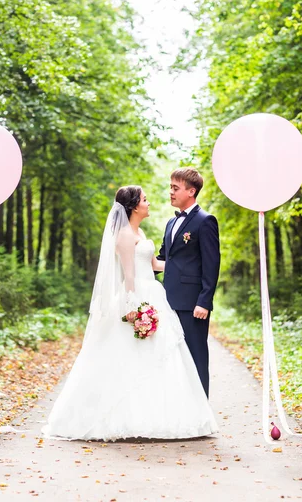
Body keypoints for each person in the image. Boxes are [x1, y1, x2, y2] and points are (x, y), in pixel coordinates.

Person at [41, 185, 218, 441]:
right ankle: (121, 417)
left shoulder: (139, 231)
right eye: (145, 199)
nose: (149, 203)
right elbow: (129, 275)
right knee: (131, 356)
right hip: (138, 298)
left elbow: (156, 263)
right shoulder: (124, 235)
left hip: (154, 294)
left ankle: (159, 414)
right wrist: (135, 308)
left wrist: (196, 264)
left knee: (161, 356)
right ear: (135, 206)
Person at [157, 168, 220, 397]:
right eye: (170, 187)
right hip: (167, 301)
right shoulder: (170, 224)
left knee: (196, 357)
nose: (171, 192)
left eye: (176, 188)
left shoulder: (205, 221)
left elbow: (211, 265)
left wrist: (204, 301)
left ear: (191, 191)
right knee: (173, 357)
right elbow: (163, 260)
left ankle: (202, 412)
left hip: (193, 304)